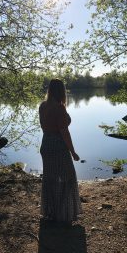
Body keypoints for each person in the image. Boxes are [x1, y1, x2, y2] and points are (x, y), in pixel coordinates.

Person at [39, 78, 82, 225]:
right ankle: (64, 214)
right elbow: (64, 132)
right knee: (66, 178)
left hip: (45, 144)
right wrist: (73, 152)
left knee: (50, 179)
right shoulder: (59, 108)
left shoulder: (42, 106)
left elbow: (44, 127)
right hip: (58, 146)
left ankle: (50, 213)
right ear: (61, 91)